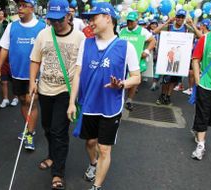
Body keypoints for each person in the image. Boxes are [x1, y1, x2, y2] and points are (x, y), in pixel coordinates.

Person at [67, 3, 140, 190]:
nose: (90, 22)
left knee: (104, 148)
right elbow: (78, 73)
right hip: (89, 104)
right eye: (89, 19)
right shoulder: (86, 43)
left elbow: (136, 77)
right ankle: (93, 163)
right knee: (90, 142)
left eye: (94, 18)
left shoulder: (126, 47)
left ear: (108, 18)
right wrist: (71, 102)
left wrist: (122, 84)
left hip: (111, 107)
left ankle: (96, 187)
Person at [29, 0, 85, 188]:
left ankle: (58, 173)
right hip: (45, 89)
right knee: (47, 128)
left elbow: (80, 68)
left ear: (68, 15)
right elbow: (35, 60)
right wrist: (32, 83)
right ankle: (52, 156)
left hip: (65, 91)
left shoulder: (79, 37)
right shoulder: (43, 34)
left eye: (60, 19)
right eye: (52, 20)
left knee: (59, 132)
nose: (56, 24)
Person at [0, 0, 45, 150]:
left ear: (32, 8)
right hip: (16, 73)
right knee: (23, 101)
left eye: (23, 6)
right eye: (19, 6)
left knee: (31, 102)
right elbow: (4, 48)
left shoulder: (42, 27)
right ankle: (28, 126)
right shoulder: (12, 26)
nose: (20, 9)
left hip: (34, 76)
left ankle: (30, 133)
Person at [153, 9, 202, 105]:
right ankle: (162, 95)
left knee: (174, 80)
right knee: (166, 79)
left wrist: (192, 24)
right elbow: (155, 31)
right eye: (178, 17)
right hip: (168, 58)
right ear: (175, 17)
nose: (180, 19)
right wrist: (167, 22)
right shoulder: (169, 27)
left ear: (184, 18)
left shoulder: (187, 28)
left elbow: (201, 37)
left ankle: (168, 96)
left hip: (180, 59)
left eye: (182, 17)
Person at [119, 11, 156, 111]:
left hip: (136, 60)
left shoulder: (142, 31)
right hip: (122, 60)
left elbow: (153, 40)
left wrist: (147, 51)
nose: (129, 23)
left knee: (134, 81)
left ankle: (129, 100)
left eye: (132, 21)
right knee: (121, 80)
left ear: (136, 21)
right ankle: (120, 99)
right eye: (128, 21)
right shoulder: (122, 31)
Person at [190, 29, 211, 160]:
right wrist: (198, 79)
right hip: (206, 85)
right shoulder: (206, 39)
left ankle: (198, 126)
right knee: (203, 114)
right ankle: (200, 145)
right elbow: (195, 59)